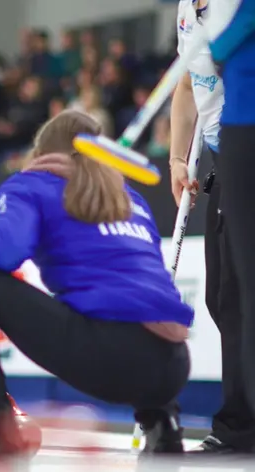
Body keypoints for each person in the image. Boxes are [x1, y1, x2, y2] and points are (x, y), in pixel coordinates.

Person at [0, 110, 193, 455]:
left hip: (113, 357)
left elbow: (5, 252)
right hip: (174, 365)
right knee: (132, 299)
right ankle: (163, 424)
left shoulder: (31, 184)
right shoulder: (130, 197)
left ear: (41, 153)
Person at [169, 0, 255, 454]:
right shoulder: (187, 7)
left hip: (246, 146)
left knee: (240, 297)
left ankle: (239, 427)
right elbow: (187, 84)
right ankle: (240, 422)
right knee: (223, 297)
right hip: (222, 161)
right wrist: (177, 158)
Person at [202, 0, 255, 433]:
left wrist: (220, 40)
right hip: (234, 132)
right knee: (233, 292)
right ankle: (241, 423)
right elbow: (192, 88)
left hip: (245, 130)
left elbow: (221, 47)